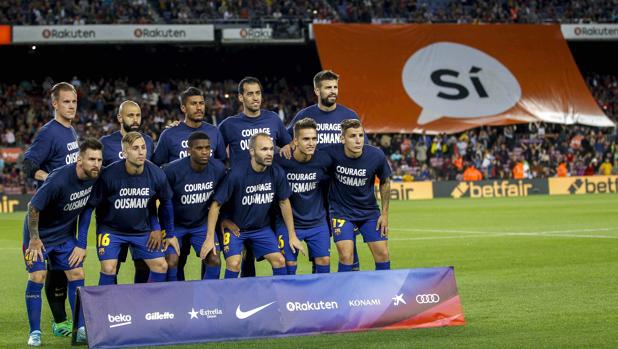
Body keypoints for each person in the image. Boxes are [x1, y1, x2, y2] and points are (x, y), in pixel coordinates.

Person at [284, 70, 367, 272]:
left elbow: (360, 148)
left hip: (341, 189)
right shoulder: (304, 116)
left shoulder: (349, 115)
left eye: (335, 87)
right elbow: (287, 140)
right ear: (317, 90)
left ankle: (350, 281)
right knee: (319, 245)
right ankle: (319, 283)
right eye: (328, 87)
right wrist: (285, 146)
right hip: (314, 189)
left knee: (347, 242)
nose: (333, 91)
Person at [23, 138, 103, 346]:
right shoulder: (59, 179)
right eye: (91, 159)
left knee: (77, 273)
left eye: (99, 160)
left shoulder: (95, 177)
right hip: (39, 237)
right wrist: (34, 239)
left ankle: (81, 328)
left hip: (65, 236)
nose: (96, 164)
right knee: (38, 276)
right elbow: (33, 207)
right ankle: (35, 333)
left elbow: (87, 209)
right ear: (79, 160)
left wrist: (81, 243)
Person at [200, 133, 305, 278]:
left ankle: (280, 297)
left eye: (270, 149)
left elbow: (284, 202)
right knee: (234, 263)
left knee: (280, 260)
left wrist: (292, 235)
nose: (269, 153)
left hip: (261, 229)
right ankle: (226, 299)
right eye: (263, 149)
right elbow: (216, 205)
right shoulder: (236, 174)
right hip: (236, 229)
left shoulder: (276, 172)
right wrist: (210, 237)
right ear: (252, 151)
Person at [218, 77, 292, 277]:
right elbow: (215, 155)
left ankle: (278, 299)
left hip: (267, 196)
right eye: (250, 93)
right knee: (238, 256)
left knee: (276, 254)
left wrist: (286, 148)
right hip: (238, 198)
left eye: (258, 93)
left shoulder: (273, 120)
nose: (255, 97)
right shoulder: (228, 125)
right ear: (241, 97)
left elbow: (288, 145)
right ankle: (238, 299)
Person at [22, 82, 80, 337]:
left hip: (65, 219)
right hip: (45, 218)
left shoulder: (72, 132)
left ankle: (66, 322)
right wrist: (48, 178)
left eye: (74, 102)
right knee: (45, 274)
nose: (71, 106)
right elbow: (28, 164)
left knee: (63, 272)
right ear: (55, 104)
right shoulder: (49, 132)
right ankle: (56, 323)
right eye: (66, 101)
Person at [79, 132, 175, 286]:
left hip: (142, 231)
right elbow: (89, 208)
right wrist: (81, 244)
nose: (141, 151)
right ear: (124, 153)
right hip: (111, 230)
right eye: (135, 148)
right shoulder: (108, 175)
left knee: (161, 266)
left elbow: (166, 202)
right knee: (109, 268)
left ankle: (147, 304)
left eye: (143, 147)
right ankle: (106, 307)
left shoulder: (156, 174)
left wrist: (165, 232)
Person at [152, 87, 226, 281]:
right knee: (176, 260)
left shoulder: (214, 132)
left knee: (210, 257)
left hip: (202, 213)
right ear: (183, 108)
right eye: (194, 104)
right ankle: (174, 303)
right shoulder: (169, 135)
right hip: (175, 214)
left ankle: (207, 302)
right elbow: (156, 168)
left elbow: (220, 167)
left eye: (201, 103)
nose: (199, 107)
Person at [325, 119, 391, 272]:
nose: (358, 140)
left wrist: (385, 214)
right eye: (352, 136)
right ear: (342, 139)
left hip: (369, 212)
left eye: (361, 135)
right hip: (341, 212)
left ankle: (385, 292)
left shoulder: (376, 155)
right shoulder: (331, 153)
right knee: (346, 255)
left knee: (383, 253)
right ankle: (345, 293)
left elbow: (385, 181)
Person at [100, 100, 155, 283]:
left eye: (138, 115)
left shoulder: (147, 141)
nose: (135, 119)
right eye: (130, 115)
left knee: (143, 264)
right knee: (112, 266)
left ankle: (138, 305)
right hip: (113, 219)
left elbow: (154, 172)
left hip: (141, 217)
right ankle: (112, 305)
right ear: (119, 117)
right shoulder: (106, 143)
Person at [162, 132, 226, 281]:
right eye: (199, 148)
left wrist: (221, 223)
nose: (205, 152)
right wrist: (167, 231)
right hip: (175, 225)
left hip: (201, 225)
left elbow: (222, 200)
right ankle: (174, 300)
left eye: (207, 148)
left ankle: (207, 299)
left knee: (215, 259)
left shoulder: (218, 169)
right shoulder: (172, 171)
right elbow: (164, 203)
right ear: (188, 150)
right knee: (171, 262)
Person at [274, 118, 332, 274]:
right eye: (306, 139)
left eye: (314, 138)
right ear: (295, 141)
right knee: (289, 264)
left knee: (324, 261)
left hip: (317, 223)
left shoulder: (324, 160)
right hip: (288, 224)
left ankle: (320, 298)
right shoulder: (281, 160)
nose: (311, 143)